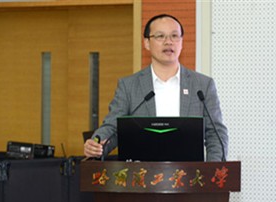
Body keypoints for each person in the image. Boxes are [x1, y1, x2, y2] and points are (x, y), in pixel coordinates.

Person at [83, 14, 228, 162]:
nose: (168, 42)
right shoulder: (129, 86)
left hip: (190, 174)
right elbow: (113, 127)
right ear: (147, 43)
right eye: (160, 36)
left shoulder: (202, 85)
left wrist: (212, 169)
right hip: (141, 173)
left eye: (174, 36)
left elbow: (216, 134)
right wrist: (96, 143)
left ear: (181, 42)